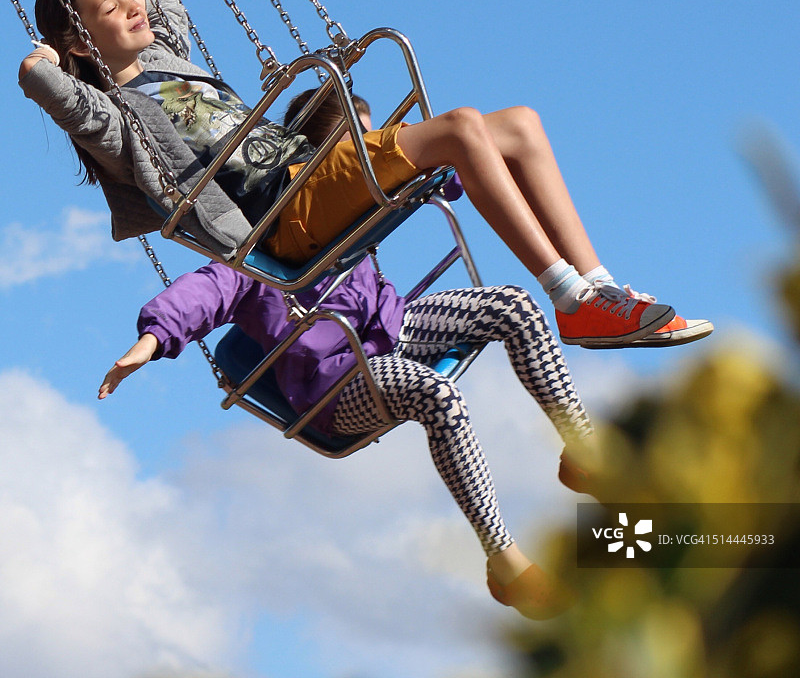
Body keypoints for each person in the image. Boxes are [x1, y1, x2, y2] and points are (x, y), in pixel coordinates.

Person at [19, 0, 713, 348]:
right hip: (285, 212)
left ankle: (597, 288)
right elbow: (56, 94)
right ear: (82, 42)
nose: (132, 7)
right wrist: (42, 61)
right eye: (110, 10)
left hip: (313, 172)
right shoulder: (122, 117)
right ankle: (567, 298)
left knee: (521, 124)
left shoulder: (172, 57)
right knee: (462, 129)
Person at [97, 90, 600, 620]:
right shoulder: (263, 237)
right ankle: (505, 559)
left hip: (393, 327)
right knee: (438, 395)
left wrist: (462, 157)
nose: (373, 154)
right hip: (337, 385)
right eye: (359, 144)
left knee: (515, 306)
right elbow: (205, 291)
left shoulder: (360, 207)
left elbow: (436, 171)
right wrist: (148, 342)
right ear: (319, 157)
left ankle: (585, 452)